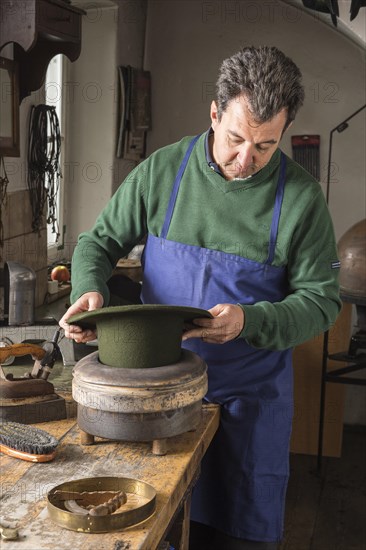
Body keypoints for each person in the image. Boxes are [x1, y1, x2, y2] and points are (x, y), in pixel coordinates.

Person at [60, 46, 341, 549]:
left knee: (237, 535)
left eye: (265, 146)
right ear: (214, 114)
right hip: (156, 398)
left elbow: (321, 302)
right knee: (152, 524)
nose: (245, 160)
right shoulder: (163, 171)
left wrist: (250, 320)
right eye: (235, 139)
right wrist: (89, 288)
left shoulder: (301, 199)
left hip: (249, 404)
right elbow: (97, 244)